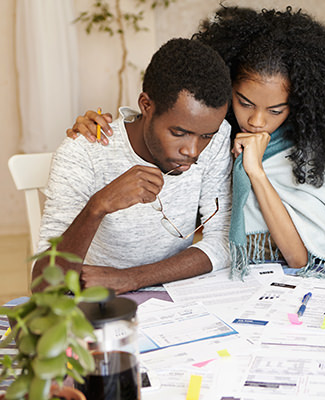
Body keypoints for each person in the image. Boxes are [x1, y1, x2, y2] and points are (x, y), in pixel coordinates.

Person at [69, 6, 325, 280]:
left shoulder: (306, 153)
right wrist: (104, 124)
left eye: (276, 110)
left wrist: (255, 171)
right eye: (245, 102)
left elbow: (298, 258)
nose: (257, 121)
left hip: (284, 279)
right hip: (212, 274)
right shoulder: (210, 133)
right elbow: (159, 122)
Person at [34, 38, 233, 294]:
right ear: (146, 105)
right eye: (178, 132)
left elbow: (224, 243)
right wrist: (98, 207)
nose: (193, 151)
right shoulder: (85, 151)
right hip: (98, 301)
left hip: (176, 295)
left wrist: (133, 278)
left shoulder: (216, 135)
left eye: (206, 136)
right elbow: (42, 285)